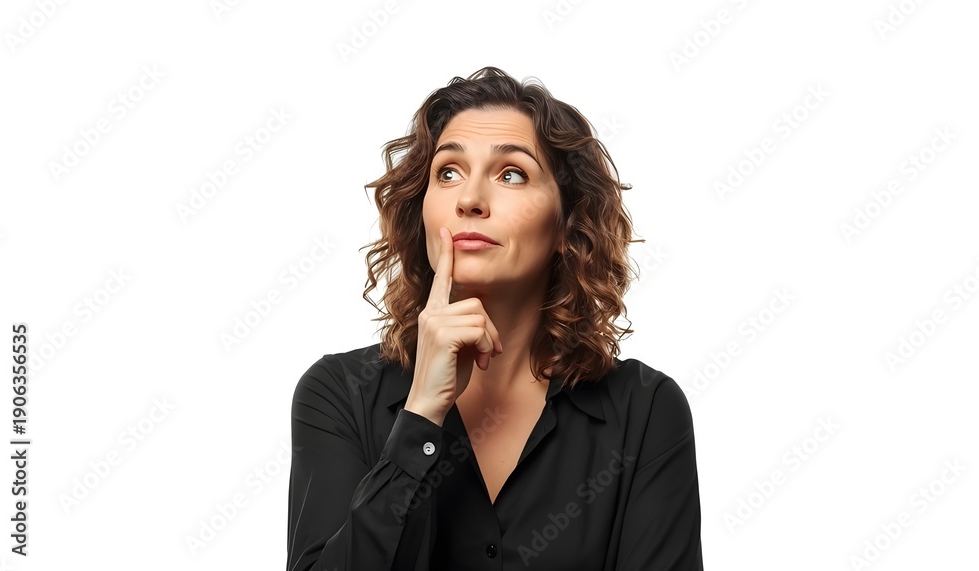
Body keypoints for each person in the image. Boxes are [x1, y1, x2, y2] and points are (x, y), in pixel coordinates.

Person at [286, 66, 703, 570]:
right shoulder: (338, 395)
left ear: (567, 225)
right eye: (448, 172)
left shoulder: (646, 411)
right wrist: (421, 416)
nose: (469, 200)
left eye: (511, 174)